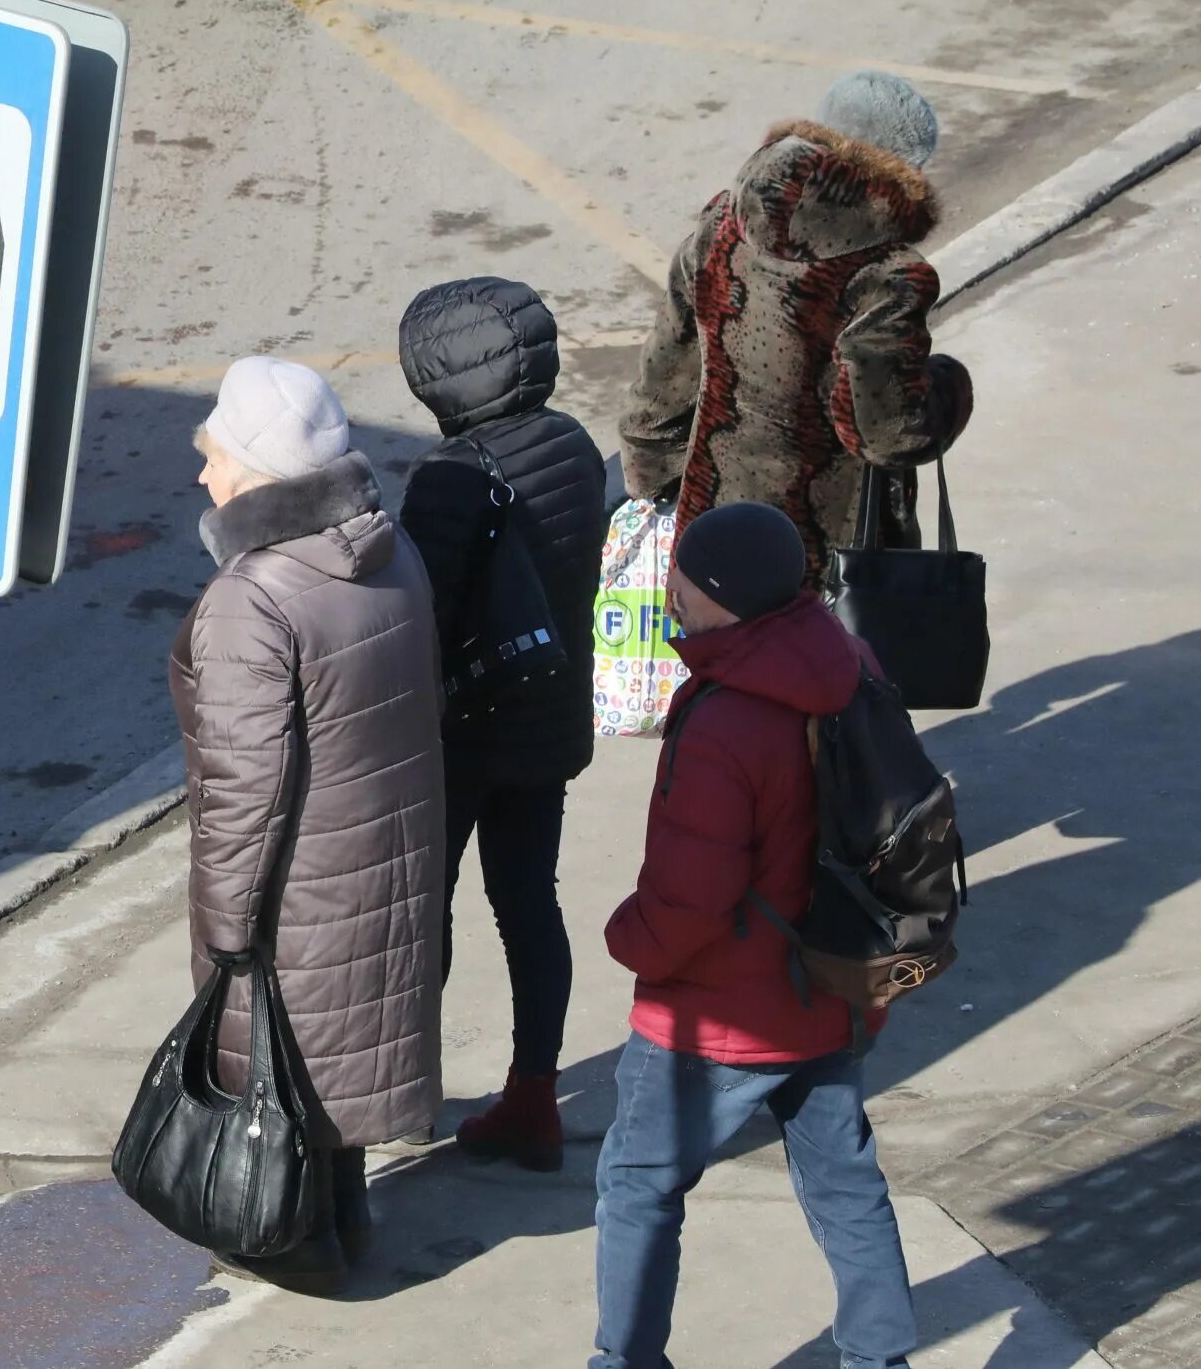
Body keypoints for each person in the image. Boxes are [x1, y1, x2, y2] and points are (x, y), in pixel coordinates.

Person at [593, 501, 915, 1369]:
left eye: (683, 579)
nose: (672, 589)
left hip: (723, 1011)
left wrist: (631, 939)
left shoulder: (726, 719)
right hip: (835, 986)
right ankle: (881, 1359)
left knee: (638, 1183)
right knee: (848, 1186)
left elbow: (689, 898)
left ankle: (624, 1360)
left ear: (717, 597)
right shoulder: (850, 660)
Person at [171, 356, 444, 1294]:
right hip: (381, 859)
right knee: (340, 1047)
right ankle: (345, 1218)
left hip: (296, 883)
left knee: (281, 1057)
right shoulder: (388, 548)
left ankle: (294, 1240)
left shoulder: (252, 599)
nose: (203, 475)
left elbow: (246, 786)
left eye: (215, 455)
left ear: (255, 469)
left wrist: (225, 922)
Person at [395, 277, 606, 1172]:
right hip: (546, 718)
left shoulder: (447, 480)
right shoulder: (573, 444)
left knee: (423, 913)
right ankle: (533, 1096)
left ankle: (409, 1087)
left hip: (460, 735)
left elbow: (417, 620)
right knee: (529, 902)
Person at [621, 71, 975, 588]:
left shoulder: (723, 222)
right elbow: (888, 434)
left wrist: (656, 478)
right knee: (813, 666)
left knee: (716, 661)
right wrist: (950, 386)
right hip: (822, 556)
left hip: (712, 527)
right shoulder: (887, 275)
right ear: (907, 166)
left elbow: (666, 375)